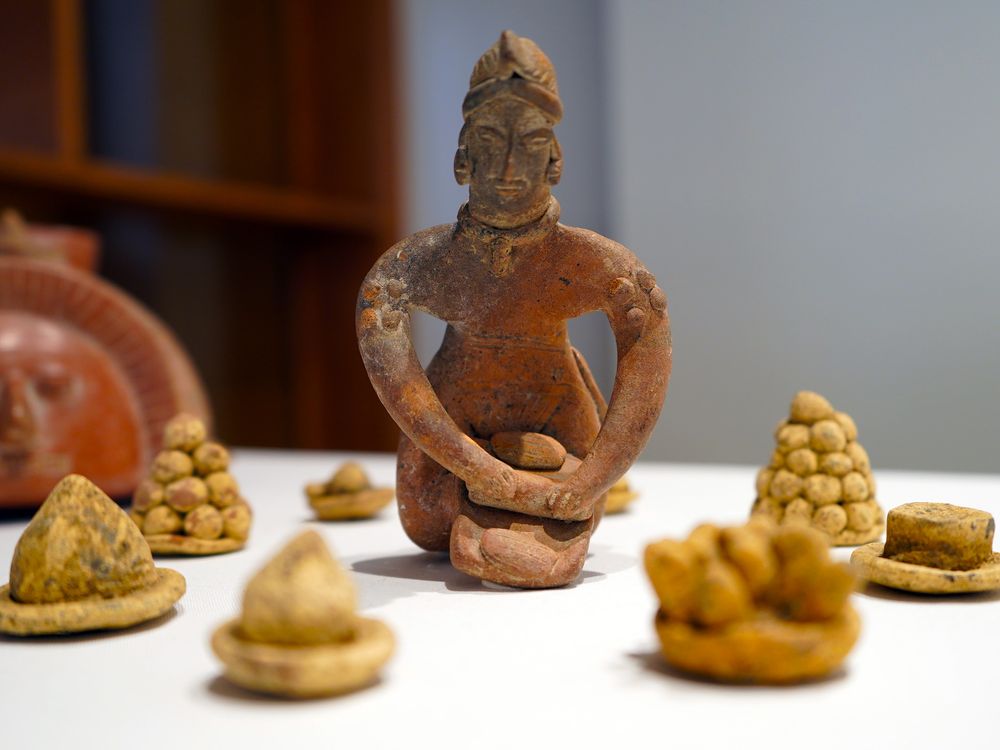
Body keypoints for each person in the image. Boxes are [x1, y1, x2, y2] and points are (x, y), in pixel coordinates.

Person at [357, 31, 670, 587]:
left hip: (559, 417)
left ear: (554, 160)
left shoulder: (599, 265)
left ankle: (528, 528)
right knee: (428, 517)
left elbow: (648, 357)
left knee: (571, 504)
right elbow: (392, 370)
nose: (507, 165)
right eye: (488, 140)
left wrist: (592, 477)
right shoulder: (413, 267)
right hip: (453, 426)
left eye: (528, 142)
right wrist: (475, 467)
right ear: (462, 158)